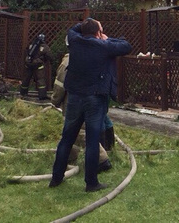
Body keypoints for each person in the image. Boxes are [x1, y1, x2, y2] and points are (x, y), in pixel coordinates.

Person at [50, 19, 131, 192]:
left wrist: (90, 25)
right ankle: (91, 182)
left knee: (67, 138)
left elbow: (73, 28)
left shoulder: (74, 40)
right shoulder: (103, 46)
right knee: (93, 141)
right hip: (94, 98)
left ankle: (56, 178)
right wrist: (105, 38)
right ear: (98, 33)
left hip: (74, 97)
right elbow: (126, 46)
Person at [51, 44, 111, 172]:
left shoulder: (68, 61)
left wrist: (55, 100)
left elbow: (60, 85)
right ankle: (69, 156)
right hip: (94, 99)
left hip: (75, 101)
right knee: (72, 130)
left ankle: (102, 160)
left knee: (79, 132)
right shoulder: (94, 56)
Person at [20, 33, 54, 100]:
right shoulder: (44, 47)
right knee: (41, 80)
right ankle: (42, 96)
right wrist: (51, 61)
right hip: (38, 65)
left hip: (28, 64)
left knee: (26, 79)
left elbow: (26, 51)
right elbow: (50, 56)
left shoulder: (31, 45)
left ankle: (23, 93)